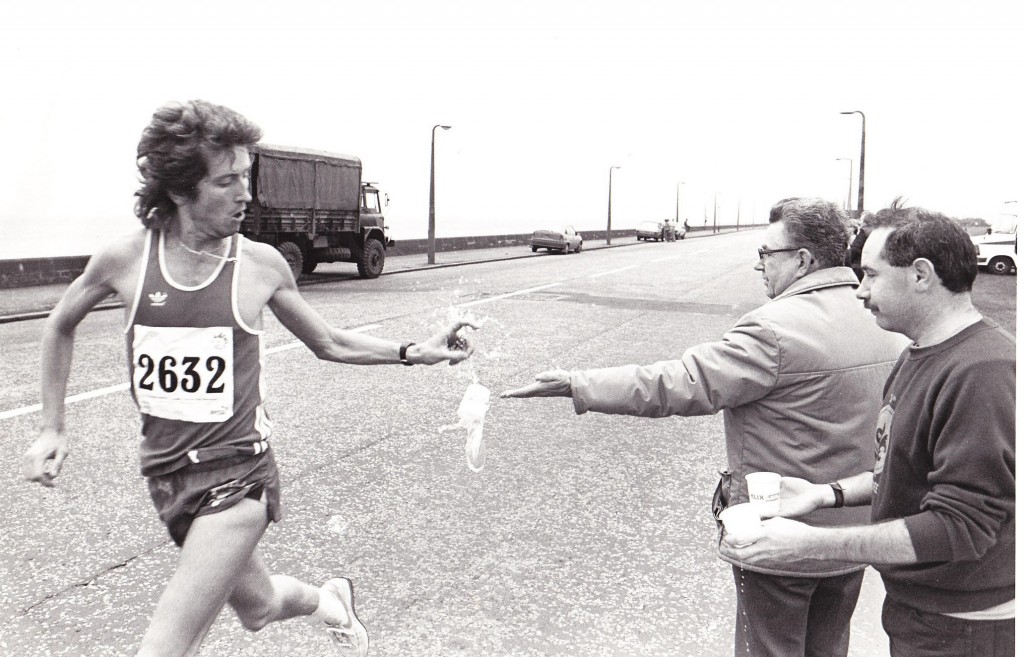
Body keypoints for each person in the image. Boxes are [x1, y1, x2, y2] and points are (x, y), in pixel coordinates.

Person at [21, 99, 480, 657]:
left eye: (247, 176)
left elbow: (329, 342)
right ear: (180, 189)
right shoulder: (126, 260)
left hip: (238, 479)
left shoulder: (259, 264)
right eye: (228, 181)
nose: (247, 195)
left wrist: (415, 351)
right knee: (259, 608)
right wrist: (52, 426)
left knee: (162, 648)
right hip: (167, 478)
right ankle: (331, 601)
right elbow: (59, 325)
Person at [502, 198, 908, 657]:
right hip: (851, 531)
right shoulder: (882, 317)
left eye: (766, 254)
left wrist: (577, 384)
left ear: (802, 260)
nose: (759, 266)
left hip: (780, 534)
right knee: (828, 647)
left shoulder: (774, 330)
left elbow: (676, 383)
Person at [721, 207, 1015, 657]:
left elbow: (961, 527)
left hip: (964, 629)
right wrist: (825, 494)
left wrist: (812, 544)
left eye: (871, 276)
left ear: (921, 275)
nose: (860, 291)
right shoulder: (917, 354)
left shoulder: (983, 372)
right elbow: (903, 470)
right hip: (922, 612)